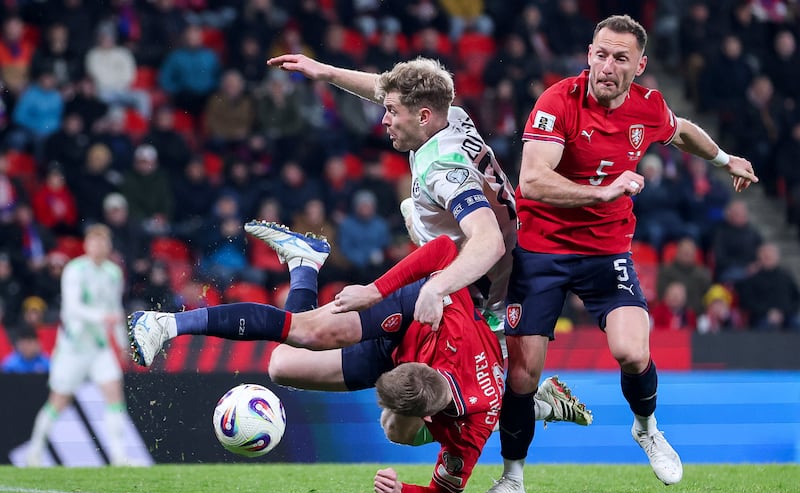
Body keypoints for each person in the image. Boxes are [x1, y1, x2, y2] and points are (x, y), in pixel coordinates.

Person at [129, 54, 591, 426]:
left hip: (462, 297)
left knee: (398, 423)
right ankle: (305, 265)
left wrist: (436, 287)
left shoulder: (442, 167)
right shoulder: (453, 118)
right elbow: (386, 89)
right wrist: (325, 72)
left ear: (423, 115)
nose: (383, 118)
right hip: (475, 290)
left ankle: (168, 325)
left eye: (392, 113)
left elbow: (487, 242)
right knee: (285, 366)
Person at [475, 14, 759, 493]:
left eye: (620, 58)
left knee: (633, 352)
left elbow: (682, 130)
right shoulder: (557, 101)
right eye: (601, 54)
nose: (607, 66)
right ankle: (512, 478)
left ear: (640, 65)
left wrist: (723, 160)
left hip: (606, 251)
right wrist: (603, 191)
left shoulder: (648, 108)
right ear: (588, 54)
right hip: (541, 249)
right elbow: (533, 181)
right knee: (523, 374)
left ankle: (646, 428)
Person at [339, 234, 504, 493]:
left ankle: (528, 409)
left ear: (428, 417)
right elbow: (444, 247)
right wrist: (379, 290)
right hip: (476, 334)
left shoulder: (469, 433)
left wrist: (398, 491)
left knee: (392, 429)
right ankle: (418, 226)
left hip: (487, 363)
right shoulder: (453, 325)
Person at [25, 224, 134, 467]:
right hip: (73, 346)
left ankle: (119, 456)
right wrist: (101, 318)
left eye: (103, 242)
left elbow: (115, 308)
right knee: (59, 400)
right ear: (86, 245)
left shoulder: (113, 272)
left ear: (108, 246)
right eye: (94, 242)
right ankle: (34, 451)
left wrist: (123, 343)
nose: (98, 246)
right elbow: (73, 307)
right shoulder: (74, 270)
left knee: (114, 391)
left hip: (98, 346)